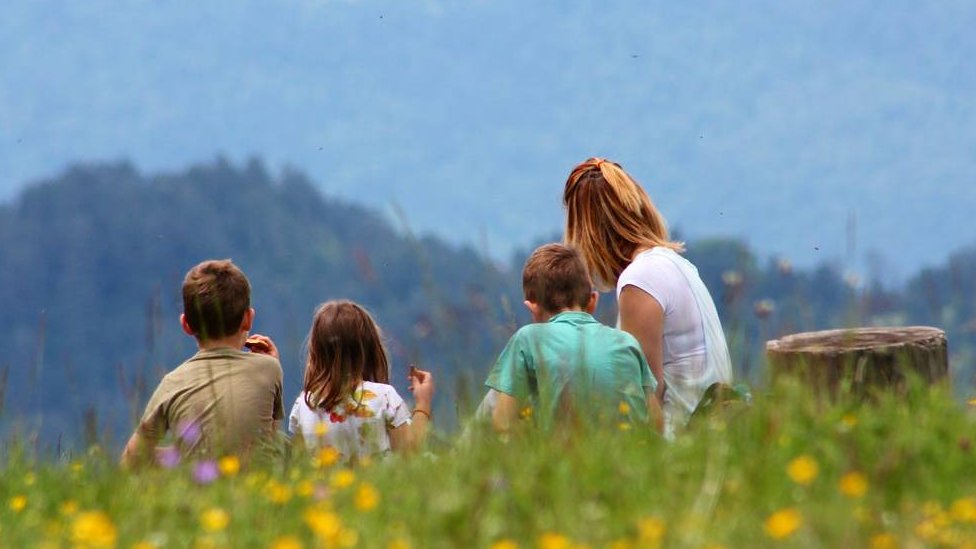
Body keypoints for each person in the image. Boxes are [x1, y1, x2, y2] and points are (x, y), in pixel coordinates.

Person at [563, 158, 733, 437]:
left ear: (587, 231)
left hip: (678, 440)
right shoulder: (675, 264)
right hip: (710, 432)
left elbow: (643, 396)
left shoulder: (640, 279)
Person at [121, 259, 284, 467]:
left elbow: (130, 459)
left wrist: (181, 456)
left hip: (197, 491)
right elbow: (270, 443)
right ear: (248, 319)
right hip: (255, 492)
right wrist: (273, 364)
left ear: (186, 325)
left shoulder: (172, 382)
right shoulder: (269, 368)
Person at [484, 243, 659, 433]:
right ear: (593, 301)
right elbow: (657, 424)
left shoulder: (528, 339)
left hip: (563, 458)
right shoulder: (628, 343)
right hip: (628, 458)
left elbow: (502, 426)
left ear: (532, 309)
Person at [288, 300, 434, 461]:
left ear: (316, 352)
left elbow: (299, 465)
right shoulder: (385, 397)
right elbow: (411, 452)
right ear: (369, 350)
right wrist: (423, 403)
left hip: (324, 487)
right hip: (378, 486)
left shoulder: (303, 405)